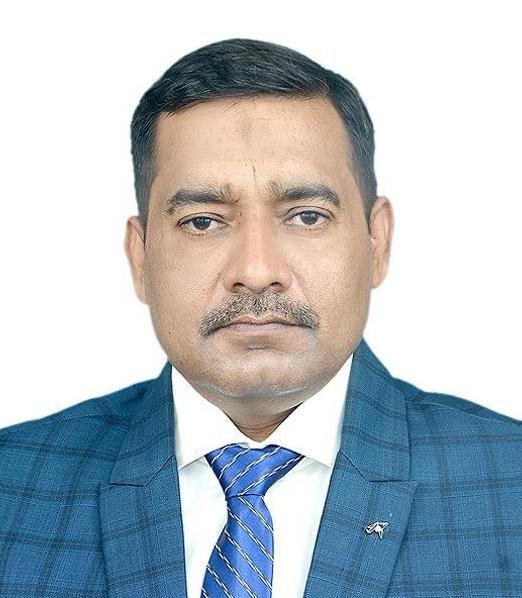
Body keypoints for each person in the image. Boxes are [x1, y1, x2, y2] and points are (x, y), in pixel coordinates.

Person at [0, 38, 520, 598]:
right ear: (140, 256)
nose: (255, 271)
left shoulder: (509, 481)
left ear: (377, 242)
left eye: (306, 216)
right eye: (203, 221)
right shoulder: (13, 485)